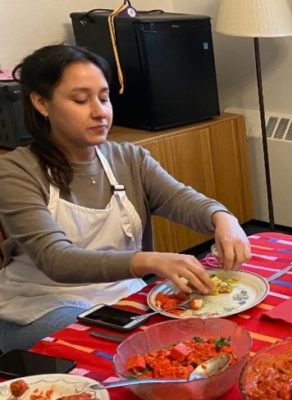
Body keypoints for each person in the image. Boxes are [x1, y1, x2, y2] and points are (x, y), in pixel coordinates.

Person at [0, 44, 251, 352]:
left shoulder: (129, 158)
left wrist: (222, 218)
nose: (99, 111)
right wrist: (149, 261)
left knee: (202, 335)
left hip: (122, 294)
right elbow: (56, 259)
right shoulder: (15, 172)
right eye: (81, 99)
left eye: (104, 98)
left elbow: (181, 199)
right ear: (41, 103)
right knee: (126, 351)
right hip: (41, 305)